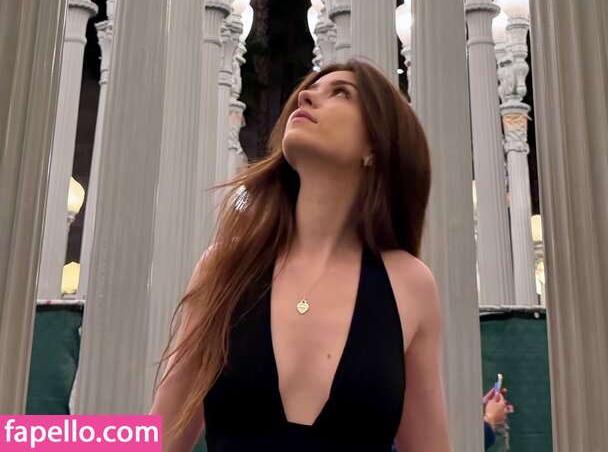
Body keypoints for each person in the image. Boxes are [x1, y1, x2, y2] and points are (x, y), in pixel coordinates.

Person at [150, 59, 453, 452]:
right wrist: (66, 436)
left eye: (341, 93)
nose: (306, 96)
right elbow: (157, 435)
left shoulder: (409, 284)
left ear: (375, 146)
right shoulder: (224, 268)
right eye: (309, 90)